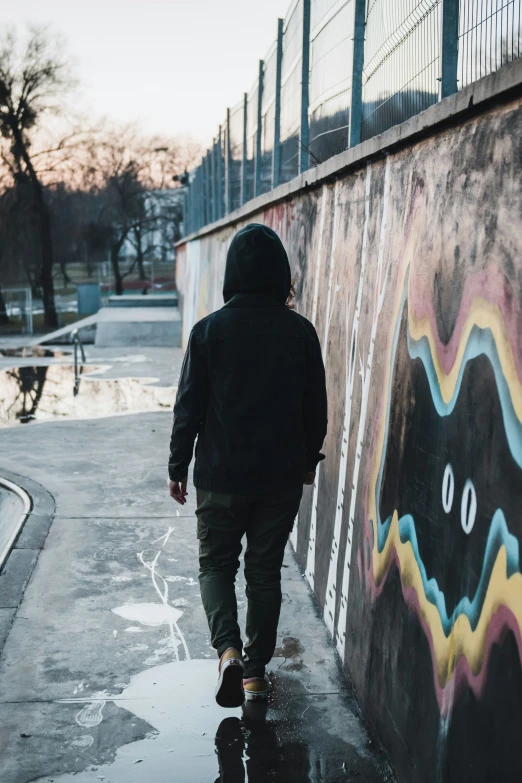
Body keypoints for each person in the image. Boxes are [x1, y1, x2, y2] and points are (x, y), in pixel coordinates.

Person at [168, 223, 327, 708]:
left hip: (220, 476)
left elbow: (188, 407)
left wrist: (178, 464)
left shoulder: (208, 331)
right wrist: (307, 459)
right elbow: (315, 407)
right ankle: (256, 673)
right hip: (279, 477)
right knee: (263, 572)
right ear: (280, 275)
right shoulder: (300, 333)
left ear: (232, 273)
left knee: (216, 564)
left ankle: (229, 653)